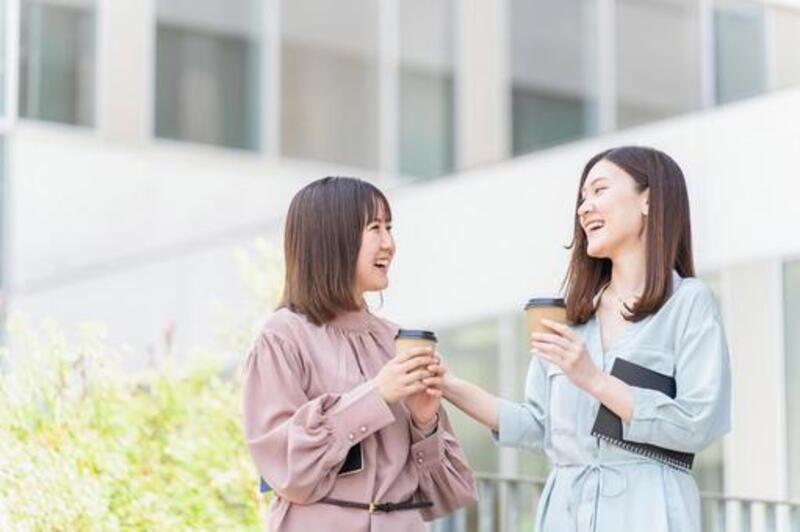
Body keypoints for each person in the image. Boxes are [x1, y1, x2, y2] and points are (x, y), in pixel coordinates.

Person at [442, 146, 731, 531]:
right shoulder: (572, 316)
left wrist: (594, 379)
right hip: (566, 514)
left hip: (649, 514)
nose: (584, 208)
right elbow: (537, 425)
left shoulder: (688, 303)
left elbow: (700, 423)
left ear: (648, 200)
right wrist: (448, 385)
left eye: (599, 190)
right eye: (582, 198)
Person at [242, 176, 477, 531]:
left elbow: (442, 490)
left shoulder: (396, 338)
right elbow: (285, 466)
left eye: (390, 227)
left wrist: (425, 422)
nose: (389, 243)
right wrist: (376, 396)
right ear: (333, 238)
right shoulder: (283, 336)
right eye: (375, 228)